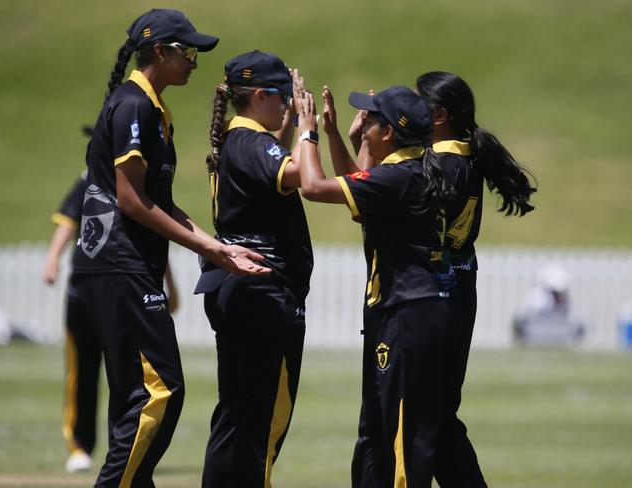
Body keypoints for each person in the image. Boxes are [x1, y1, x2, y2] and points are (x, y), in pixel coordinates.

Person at [71, 10, 268, 487]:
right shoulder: (134, 105)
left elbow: (161, 203)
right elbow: (132, 201)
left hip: (122, 268)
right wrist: (213, 251)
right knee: (159, 393)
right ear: (159, 51)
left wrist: (213, 245)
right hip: (120, 267)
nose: (195, 63)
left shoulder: (151, 106)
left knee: (134, 404)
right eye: (188, 52)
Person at [296, 81, 457, 486]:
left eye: (370, 118)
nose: (362, 123)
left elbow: (314, 187)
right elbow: (361, 192)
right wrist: (338, 135)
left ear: (389, 133)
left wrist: (307, 131)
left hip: (407, 314)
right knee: (379, 431)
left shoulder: (398, 178)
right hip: (407, 311)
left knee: (404, 438)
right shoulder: (406, 171)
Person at [195, 51, 312, 488]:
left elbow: (273, 156)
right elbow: (297, 173)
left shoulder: (236, 140)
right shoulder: (249, 141)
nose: (287, 104)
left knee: (235, 416)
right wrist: (308, 127)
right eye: (282, 96)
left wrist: (287, 128)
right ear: (259, 96)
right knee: (263, 423)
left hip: (237, 289)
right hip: (263, 294)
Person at [415, 71, 536, 487]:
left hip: (437, 292)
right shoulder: (465, 154)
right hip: (462, 286)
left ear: (439, 115)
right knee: (441, 416)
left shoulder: (440, 162)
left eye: (418, 104)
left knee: (425, 418)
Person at [43, 157, 179, 473]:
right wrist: (53, 258)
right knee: (83, 369)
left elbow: (151, 237)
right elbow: (68, 219)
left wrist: (170, 284)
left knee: (127, 374)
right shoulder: (91, 178)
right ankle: (79, 446)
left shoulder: (139, 183)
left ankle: (123, 449)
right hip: (85, 290)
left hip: (126, 288)